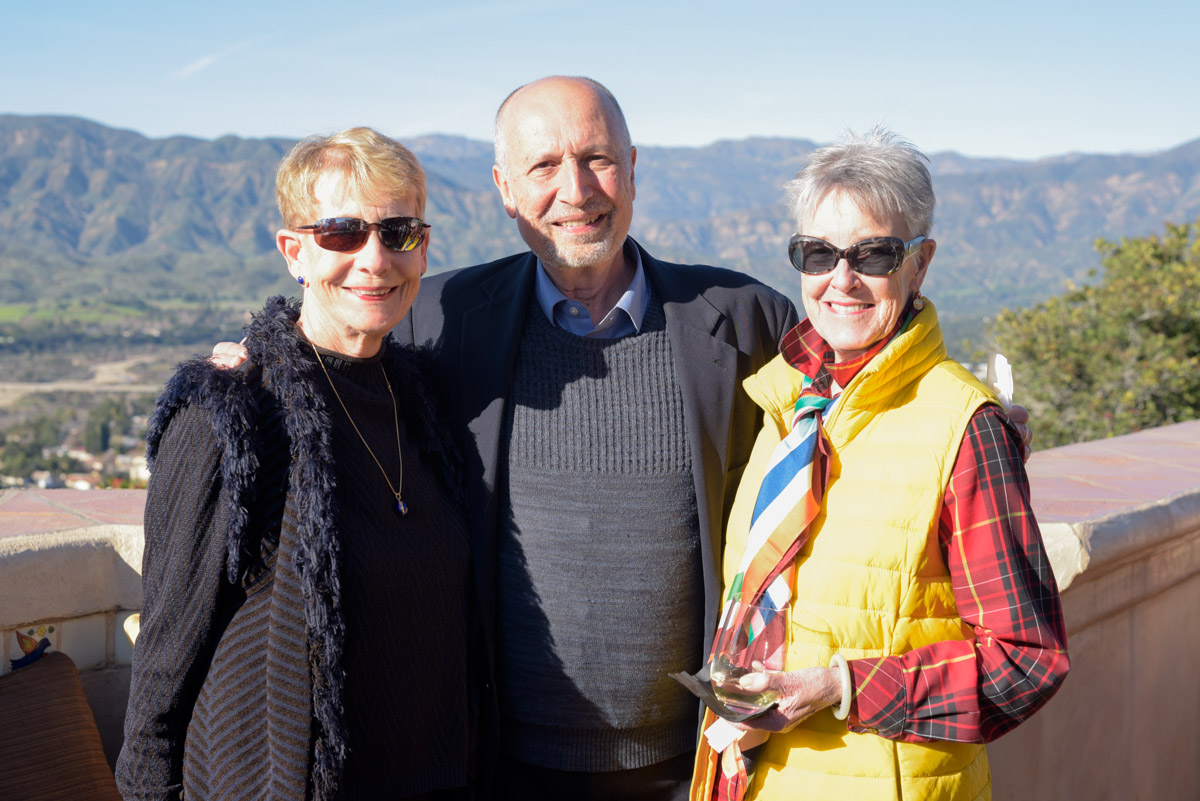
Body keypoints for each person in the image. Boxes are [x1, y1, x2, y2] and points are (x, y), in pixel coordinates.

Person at [393, 76, 797, 800]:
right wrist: (251, 367)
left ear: (632, 168)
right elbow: (338, 394)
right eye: (544, 166)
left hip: (695, 760)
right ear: (505, 189)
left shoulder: (748, 321)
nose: (575, 190)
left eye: (597, 158)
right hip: (501, 767)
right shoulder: (439, 318)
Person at [689, 128, 1069, 801]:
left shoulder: (965, 427)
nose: (842, 279)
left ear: (919, 265)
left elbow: (1025, 661)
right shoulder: (786, 406)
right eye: (818, 253)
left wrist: (842, 687)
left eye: (874, 254)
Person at [117, 128, 473, 801]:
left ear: (423, 249)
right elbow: (165, 651)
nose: (374, 259)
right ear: (294, 252)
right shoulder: (233, 411)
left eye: (398, 233)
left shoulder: (424, 403)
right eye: (342, 233)